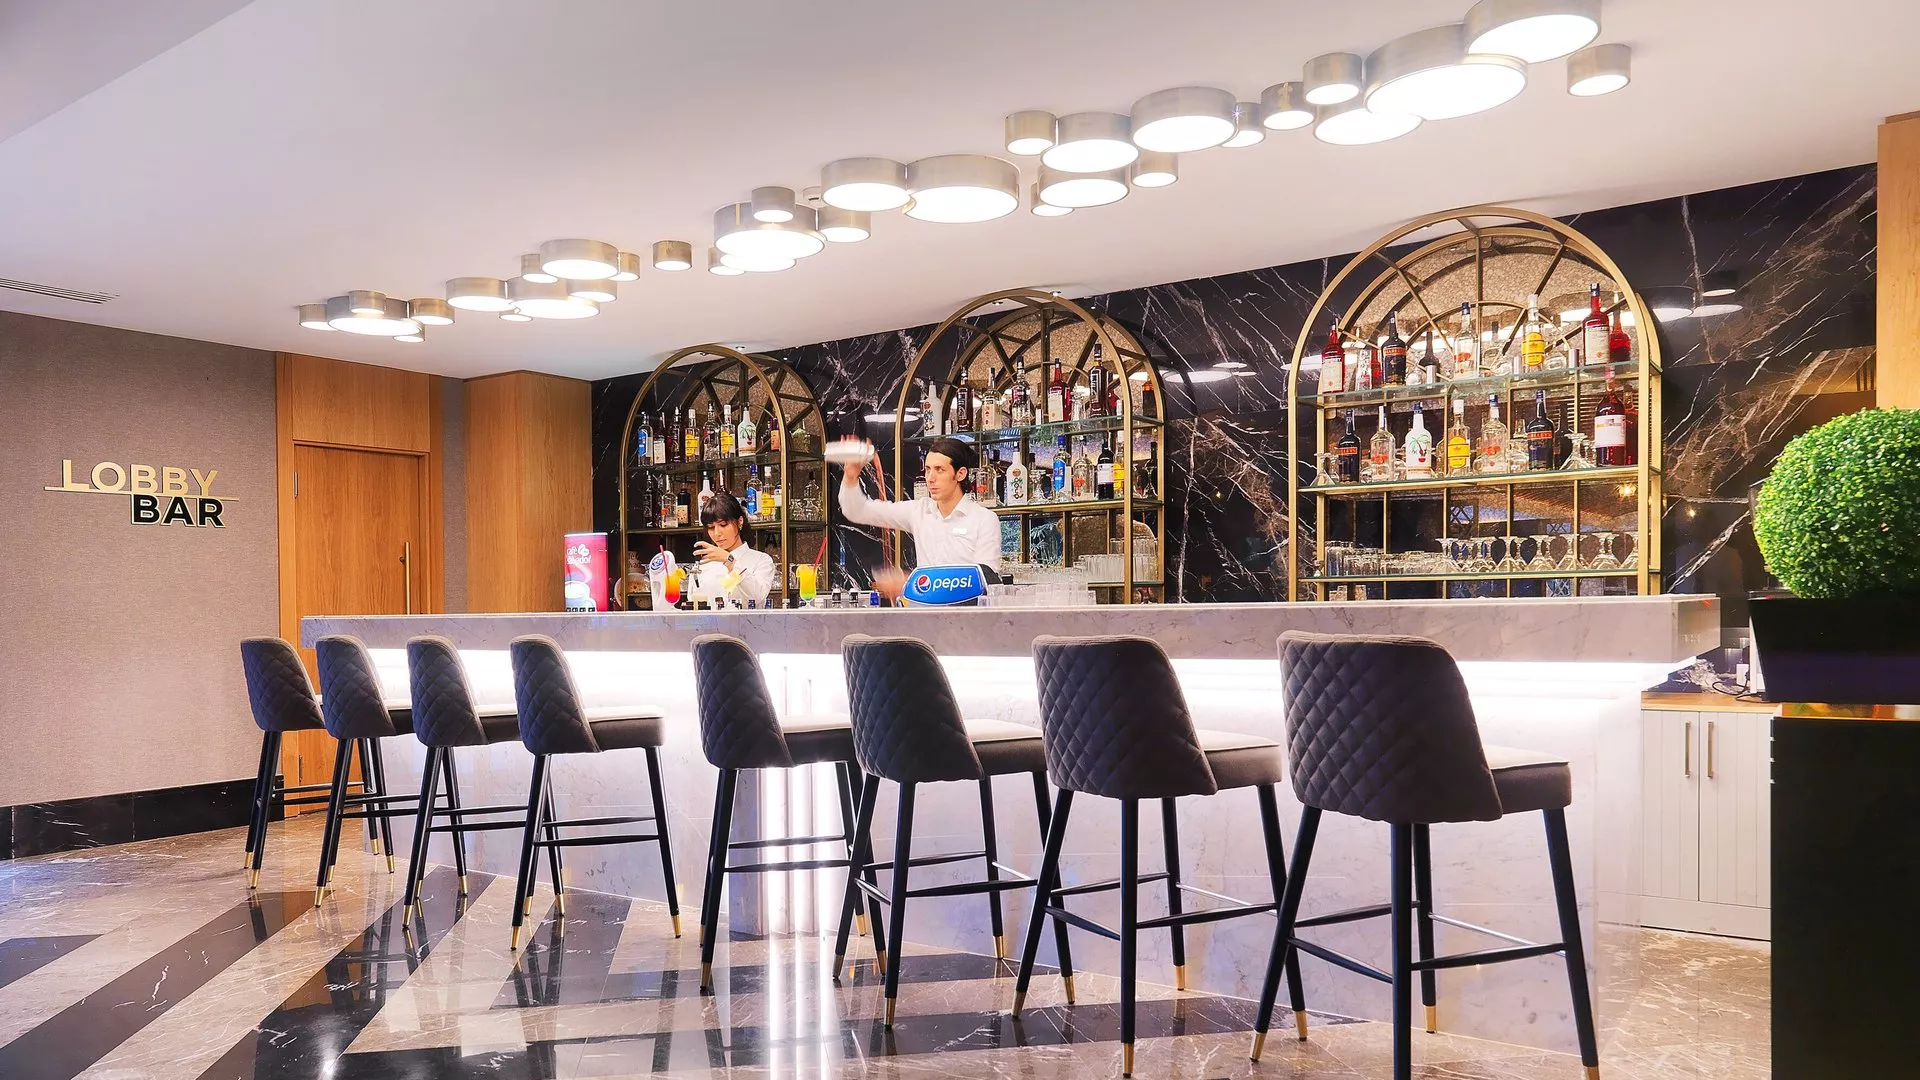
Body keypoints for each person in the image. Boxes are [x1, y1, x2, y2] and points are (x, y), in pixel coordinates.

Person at [838, 436, 1001, 601]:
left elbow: (985, 580)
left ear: (960, 474)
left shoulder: (984, 519)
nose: (930, 478)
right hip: (924, 613)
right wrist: (850, 476)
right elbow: (857, 511)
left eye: (939, 470)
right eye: (928, 469)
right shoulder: (919, 511)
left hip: (966, 614)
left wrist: (911, 583)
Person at [690, 491, 774, 606]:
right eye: (711, 527)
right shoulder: (703, 566)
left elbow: (756, 598)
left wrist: (730, 561)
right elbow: (693, 605)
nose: (717, 533)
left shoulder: (761, 560)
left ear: (740, 521)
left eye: (723, 525)